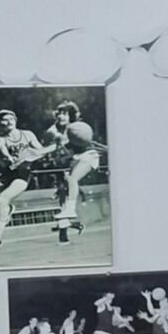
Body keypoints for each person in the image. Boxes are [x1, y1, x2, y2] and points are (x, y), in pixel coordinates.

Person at [0, 109, 46, 256]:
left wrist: (29, 157)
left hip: (23, 174)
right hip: (8, 173)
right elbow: (3, 150)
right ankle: (7, 210)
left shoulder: (27, 134)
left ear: (15, 120)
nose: (8, 122)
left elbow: (41, 151)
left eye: (11, 119)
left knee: (3, 198)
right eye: (4, 119)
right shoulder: (0, 138)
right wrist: (9, 158)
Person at [46, 99, 103, 245]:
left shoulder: (78, 128)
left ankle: (70, 215)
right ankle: (65, 233)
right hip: (68, 162)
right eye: (59, 113)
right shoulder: (53, 131)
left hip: (86, 156)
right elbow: (56, 140)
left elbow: (83, 142)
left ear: (70, 115)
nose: (61, 116)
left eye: (64, 113)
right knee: (63, 195)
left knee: (72, 180)